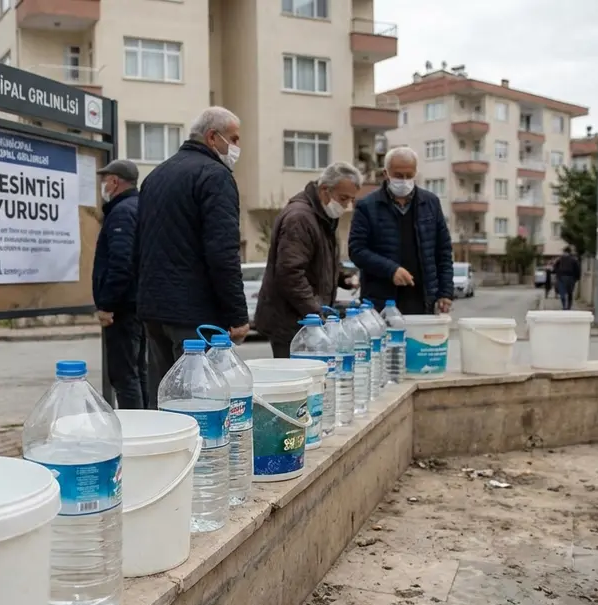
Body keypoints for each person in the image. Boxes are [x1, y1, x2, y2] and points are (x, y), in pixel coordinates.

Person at [135, 106, 249, 408]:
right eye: (234, 139)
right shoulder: (215, 176)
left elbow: (141, 243)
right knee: (200, 404)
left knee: (163, 400)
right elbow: (223, 251)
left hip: (155, 309)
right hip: (195, 314)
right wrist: (237, 316)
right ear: (213, 137)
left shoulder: (155, 176)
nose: (237, 147)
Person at [254, 162, 362, 358]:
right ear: (324, 190)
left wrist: (344, 278)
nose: (347, 206)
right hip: (291, 323)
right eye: (343, 198)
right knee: (294, 382)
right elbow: (290, 273)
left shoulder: (323, 216)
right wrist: (315, 311)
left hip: (306, 321)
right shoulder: (300, 218)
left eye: (351, 200)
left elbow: (322, 261)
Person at [348, 147, 454, 316]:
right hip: (380, 302)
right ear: (386, 173)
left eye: (409, 176)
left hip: (423, 300)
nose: (404, 181)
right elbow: (357, 250)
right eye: (398, 175)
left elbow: (443, 251)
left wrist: (446, 292)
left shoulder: (431, 203)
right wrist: (390, 270)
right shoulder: (367, 206)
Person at [93, 159, 147, 409]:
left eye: (105, 180)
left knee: (125, 376)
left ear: (114, 182)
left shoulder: (122, 212)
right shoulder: (141, 207)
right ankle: (147, 422)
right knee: (139, 371)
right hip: (139, 304)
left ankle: (134, 430)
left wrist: (107, 305)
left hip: (123, 309)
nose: (102, 185)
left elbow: (120, 263)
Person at [553, 246, 582, 310]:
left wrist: (557, 274)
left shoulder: (560, 259)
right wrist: (577, 278)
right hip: (570, 278)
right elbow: (578, 269)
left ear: (565, 252)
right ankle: (568, 306)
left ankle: (564, 306)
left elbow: (555, 267)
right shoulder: (574, 259)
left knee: (562, 292)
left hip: (562, 278)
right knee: (569, 292)